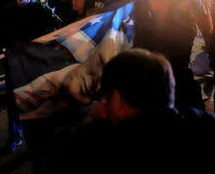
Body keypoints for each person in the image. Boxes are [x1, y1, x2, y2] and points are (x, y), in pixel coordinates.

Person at [67, 49, 215, 170]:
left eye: (106, 97)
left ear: (118, 97)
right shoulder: (204, 126)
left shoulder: (98, 147)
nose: (103, 104)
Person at [134, 0, 211, 111]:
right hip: (152, 78)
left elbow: (201, 18)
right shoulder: (141, 8)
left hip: (178, 77)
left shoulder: (178, 9)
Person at [1, 0, 64, 153]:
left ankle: (39, 137)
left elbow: (57, 27)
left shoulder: (41, 10)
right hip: (13, 62)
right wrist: (5, 46)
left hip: (34, 62)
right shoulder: (7, 11)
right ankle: (15, 136)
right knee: (13, 100)